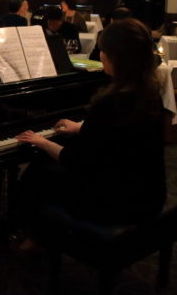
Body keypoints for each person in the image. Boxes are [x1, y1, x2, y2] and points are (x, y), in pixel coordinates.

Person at [16, 18, 166, 235]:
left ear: (118, 57)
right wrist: (81, 128)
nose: (101, 55)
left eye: (103, 50)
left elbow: (76, 162)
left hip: (112, 204)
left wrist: (41, 141)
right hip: (147, 196)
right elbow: (119, 137)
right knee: (45, 167)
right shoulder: (149, 95)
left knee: (38, 171)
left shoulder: (109, 104)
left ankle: (35, 237)